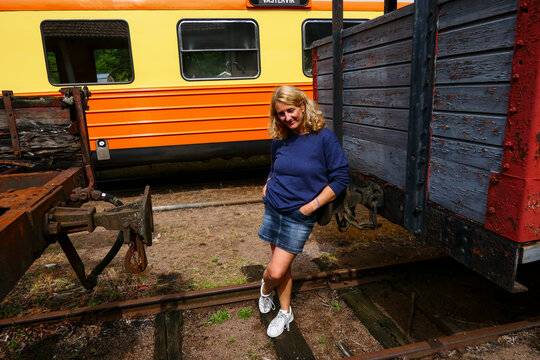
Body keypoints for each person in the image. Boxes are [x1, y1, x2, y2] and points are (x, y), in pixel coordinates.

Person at [258, 85, 349, 338]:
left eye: (290, 110)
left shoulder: (324, 138)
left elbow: (341, 178)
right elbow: (276, 168)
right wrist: (267, 184)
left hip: (299, 215)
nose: (287, 118)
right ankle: (285, 312)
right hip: (273, 206)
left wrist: (310, 207)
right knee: (282, 268)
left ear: (303, 106)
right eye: (280, 114)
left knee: (275, 271)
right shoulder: (281, 138)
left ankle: (265, 288)